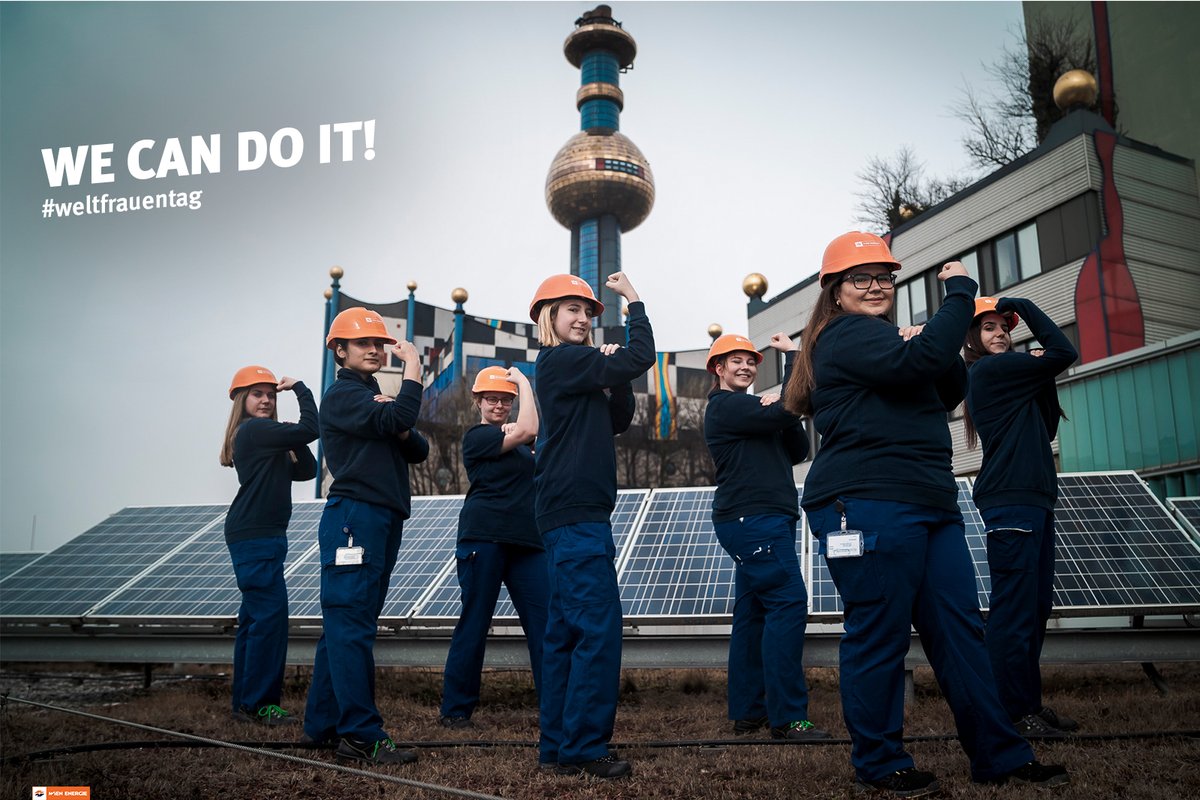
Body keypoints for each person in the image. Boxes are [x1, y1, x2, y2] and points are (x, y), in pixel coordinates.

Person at [784, 231, 1068, 797]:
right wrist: (960, 292)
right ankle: (880, 763)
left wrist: (928, 342)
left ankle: (999, 754)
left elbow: (945, 386)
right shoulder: (843, 335)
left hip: (931, 501)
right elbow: (927, 358)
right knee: (879, 633)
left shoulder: (890, 344)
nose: (875, 287)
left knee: (961, 631)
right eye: (860, 278)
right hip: (865, 502)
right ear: (834, 290)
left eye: (884, 278)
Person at [530, 272, 655, 779]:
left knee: (565, 634)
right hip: (577, 516)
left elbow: (617, 418)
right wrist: (634, 302)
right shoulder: (561, 359)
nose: (582, 319)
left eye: (587, 312)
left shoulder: (573, 370)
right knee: (598, 631)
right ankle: (583, 746)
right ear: (549, 317)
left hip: (569, 515)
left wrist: (614, 372)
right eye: (572, 310)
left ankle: (559, 746)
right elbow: (641, 356)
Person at [302, 307, 428, 767]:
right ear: (340, 350)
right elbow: (404, 415)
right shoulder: (343, 396)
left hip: (379, 517)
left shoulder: (370, 399)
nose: (375, 349)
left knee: (347, 626)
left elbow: (419, 447)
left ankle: (322, 725)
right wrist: (413, 371)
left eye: (379, 343)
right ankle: (360, 735)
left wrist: (394, 417)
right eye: (363, 343)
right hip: (354, 518)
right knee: (351, 625)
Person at [703, 333, 829, 742]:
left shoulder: (753, 410)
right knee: (788, 603)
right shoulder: (726, 406)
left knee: (753, 613)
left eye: (750, 362)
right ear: (718, 369)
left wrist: (780, 407)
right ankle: (788, 718)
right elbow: (790, 408)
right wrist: (793, 358)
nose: (745, 367)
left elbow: (797, 449)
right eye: (735, 361)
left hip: (761, 520)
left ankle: (749, 711)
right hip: (753, 521)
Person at [963, 296, 1079, 737]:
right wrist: (1025, 306)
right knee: (1014, 612)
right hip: (1010, 499)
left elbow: (1046, 427)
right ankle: (1011, 713)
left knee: (1035, 608)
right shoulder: (989, 371)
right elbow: (1064, 352)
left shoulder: (1013, 377)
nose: (1000, 334)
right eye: (989, 327)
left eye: (1004, 327)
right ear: (972, 338)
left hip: (1035, 498)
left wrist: (1040, 373)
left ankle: (1027, 704)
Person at [438, 366, 548, 730]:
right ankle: (455, 711)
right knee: (475, 622)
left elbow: (533, 433)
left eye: (506, 400)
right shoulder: (477, 437)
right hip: (483, 538)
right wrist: (525, 382)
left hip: (527, 542)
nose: (499, 405)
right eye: (492, 399)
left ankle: (556, 706)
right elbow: (529, 428)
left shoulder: (518, 441)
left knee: (545, 625)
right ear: (478, 402)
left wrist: (520, 429)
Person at [221, 365, 318, 726]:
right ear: (241, 401)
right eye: (257, 394)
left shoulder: (264, 436)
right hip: (257, 536)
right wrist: (301, 389)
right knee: (270, 620)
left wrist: (292, 437)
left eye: (271, 395)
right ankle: (260, 705)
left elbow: (306, 470)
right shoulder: (255, 430)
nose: (266, 400)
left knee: (255, 620)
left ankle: (244, 704)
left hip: (258, 535)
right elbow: (312, 429)